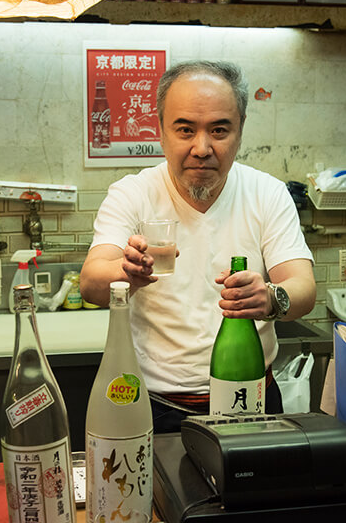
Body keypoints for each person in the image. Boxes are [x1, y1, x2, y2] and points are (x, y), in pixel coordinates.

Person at [80, 60, 316, 433]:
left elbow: (303, 287)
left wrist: (272, 297)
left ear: (240, 130)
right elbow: (91, 283)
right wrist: (128, 272)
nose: (202, 148)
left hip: (251, 397)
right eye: (185, 130)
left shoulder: (267, 193)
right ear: (161, 131)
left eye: (219, 130)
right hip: (155, 405)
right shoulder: (133, 194)